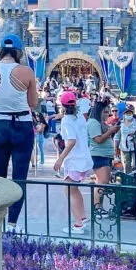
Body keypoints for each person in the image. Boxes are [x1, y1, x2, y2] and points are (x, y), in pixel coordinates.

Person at [0, 35, 37, 234]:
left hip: (0, 123)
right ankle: (12, 223)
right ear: (18, 52)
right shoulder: (26, 71)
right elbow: (33, 103)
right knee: (19, 177)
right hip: (22, 124)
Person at [53, 90, 93, 234]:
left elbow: (71, 141)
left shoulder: (66, 121)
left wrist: (60, 158)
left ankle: (78, 224)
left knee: (70, 191)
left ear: (62, 106)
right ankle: (82, 218)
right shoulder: (80, 117)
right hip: (84, 159)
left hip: (75, 160)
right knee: (74, 190)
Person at [87, 100, 119, 212]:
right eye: (105, 112)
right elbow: (98, 139)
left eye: (108, 112)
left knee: (101, 182)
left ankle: (99, 206)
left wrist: (112, 131)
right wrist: (111, 131)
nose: (107, 114)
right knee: (103, 181)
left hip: (105, 155)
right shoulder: (93, 123)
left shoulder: (101, 123)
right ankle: (97, 206)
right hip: (98, 155)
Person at [116, 103, 136, 173]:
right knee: (126, 166)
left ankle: (135, 181)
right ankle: (127, 180)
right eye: (127, 113)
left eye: (130, 113)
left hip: (135, 147)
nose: (128, 114)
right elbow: (117, 136)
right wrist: (115, 148)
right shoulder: (120, 122)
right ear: (124, 114)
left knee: (135, 166)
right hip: (124, 148)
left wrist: (135, 135)